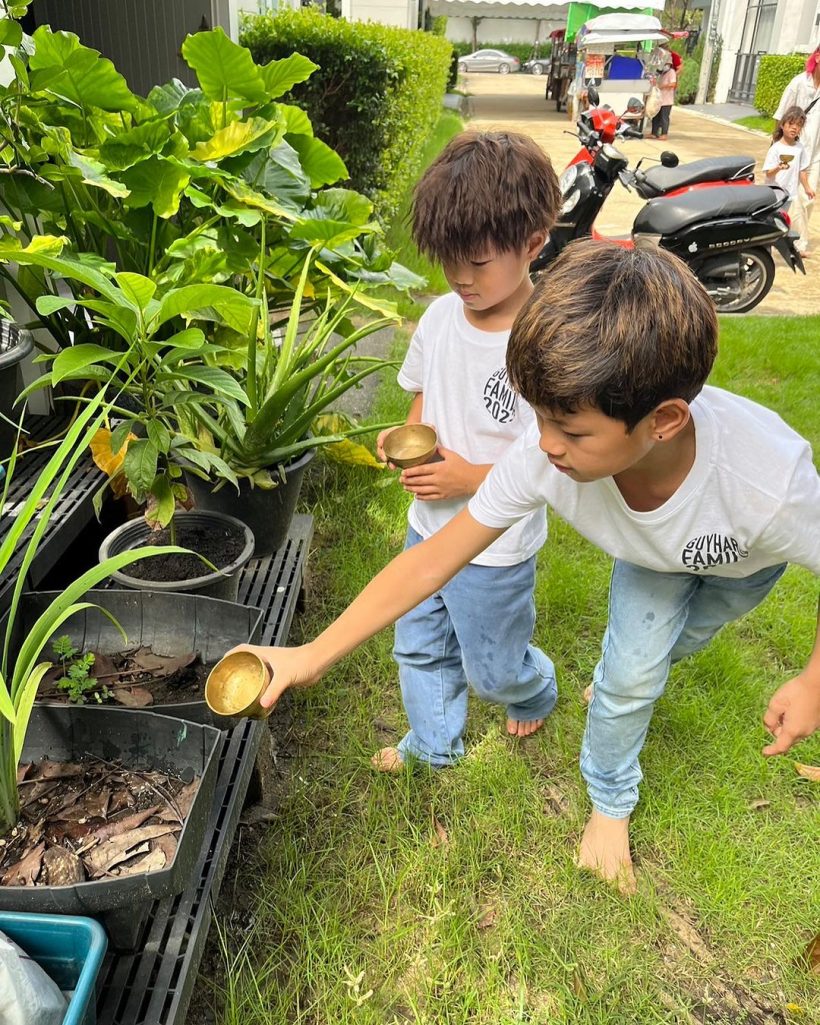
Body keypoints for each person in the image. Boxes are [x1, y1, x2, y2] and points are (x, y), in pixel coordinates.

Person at [230, 241, 820, 895]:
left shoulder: (769, 485)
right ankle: (610, 799)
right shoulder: (542, 456)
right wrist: (311, 653)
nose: (543, 444)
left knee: (671, 647)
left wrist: (814, 679)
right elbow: (433, 558)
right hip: (650, 563)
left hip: (743, 567)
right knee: (630, 675)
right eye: (538, 417)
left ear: (664, 421)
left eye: (571, 430)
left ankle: (630, 673)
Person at [372, 130, 561, 772]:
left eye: (477, 263)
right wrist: (405, 437)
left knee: (493, 668)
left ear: (533, 243)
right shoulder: (439, 318)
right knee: (418, 644)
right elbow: (425, 393)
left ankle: (534, 687)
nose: (459, 278)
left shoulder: (546, 342)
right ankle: (433, 745)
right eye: (449, 261)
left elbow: (548, 462)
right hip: (428, 527)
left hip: (496, 547)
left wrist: (467, 477)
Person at [774, 45, 820, 255]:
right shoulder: (799, 83)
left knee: (808, 198)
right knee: (785, 194)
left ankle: (799, 242)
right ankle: (776, 236)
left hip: (816, 153)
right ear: (817, 57)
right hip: (793, 150)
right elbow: (781, 115)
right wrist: (776, 147)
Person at [763, 105, 816, 208]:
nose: (794, 128)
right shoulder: (775, 148)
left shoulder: (800, 149)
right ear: (782, 125)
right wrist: (778, 168)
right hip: (774, 195)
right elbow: (768, 174)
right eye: (791, 124)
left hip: (789, 195)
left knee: (783, 221)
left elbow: (802, 171)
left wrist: (807, 188)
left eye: (799, 125)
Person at [651, 49, 678, 140]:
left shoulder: (671, 72)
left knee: (664, 118)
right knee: (656, 117)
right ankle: (654, 133)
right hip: (659, 99)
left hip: (667, 100)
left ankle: (664, 134)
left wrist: (663, 86)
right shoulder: (661, 73)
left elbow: (673, 84)